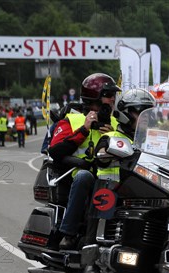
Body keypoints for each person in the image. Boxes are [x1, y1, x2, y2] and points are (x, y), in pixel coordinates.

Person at [52, 73, 121, 251]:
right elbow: (55, 151)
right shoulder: (72, 120)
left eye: (113, 95)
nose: (113, 99)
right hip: (82, 176)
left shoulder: (117, 122)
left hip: (113, 176)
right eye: (108, 95)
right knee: (83, 177)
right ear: (94, 97)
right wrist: (84, 129)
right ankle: (69, 234)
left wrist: (115, 135)